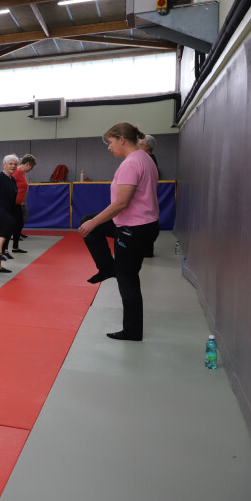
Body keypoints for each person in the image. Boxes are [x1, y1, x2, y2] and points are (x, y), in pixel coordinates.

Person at [78, 122, 160, 341]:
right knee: (87, 220)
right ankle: (106, 267)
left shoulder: (131, 164)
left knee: (128, 279)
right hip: (143, 225)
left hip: (133, 229)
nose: (109, 147)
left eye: (111, 142)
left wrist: (95, 222)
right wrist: (93, 222)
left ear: (122, 140)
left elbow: (122, 203)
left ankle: (132, 331)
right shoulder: (146, 159)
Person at [10, 154, 36, 253]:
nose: (31, 169)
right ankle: (8, 247)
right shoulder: (16, 172)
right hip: (14, 203)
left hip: (20, 202)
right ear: (27, 164)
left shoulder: (22, 173)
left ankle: (15, 247)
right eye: (31, 167)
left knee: (19, 223)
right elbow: (8, 185)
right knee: (16, 224)